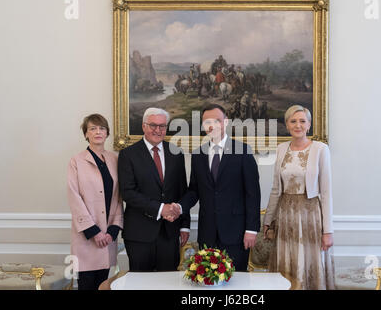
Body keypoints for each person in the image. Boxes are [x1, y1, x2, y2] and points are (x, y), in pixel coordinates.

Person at [178, 104, 261, 272]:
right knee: (207, 280)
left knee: (237, 282)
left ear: (226, 122)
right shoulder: (198, 154)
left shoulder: (243, 151)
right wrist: (179, 207)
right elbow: (194, 190)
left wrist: (251, 229)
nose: (212, 125)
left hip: (236, 233)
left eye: (217, 120)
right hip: (207, 232)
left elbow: (253, 194)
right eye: (207, 122)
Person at [263, 105, 335, 290]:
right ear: (287, 125)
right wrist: (268, 220)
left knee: (308, 263)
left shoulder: (320, 149)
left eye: (302, 121)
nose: (298, 125)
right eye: (293, 121)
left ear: (309, 125)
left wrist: (328, 231)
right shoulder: (280, 149)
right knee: (287, 262)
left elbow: (326, 193)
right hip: (285, 216)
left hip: (310, 215)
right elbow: (275, 188)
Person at [118, 108, 190, 272]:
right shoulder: (128, 155)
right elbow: (128, 192)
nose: (158, 130)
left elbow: (182, 192)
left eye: (162, 126)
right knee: (141, 285)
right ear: (144, 126)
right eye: (153, 125)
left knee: (167, 284)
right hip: (139, 234)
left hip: (170, 233)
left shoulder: (176, 153)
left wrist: (184, 226)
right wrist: (160, 208)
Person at [67, 114, 124, 290]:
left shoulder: (115, 159)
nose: (97, 132)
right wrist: (94, 232)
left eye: (101, 128)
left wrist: (113, 230)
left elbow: (118, 197)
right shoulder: (76, 161)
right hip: (87, 238)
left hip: (108, 238)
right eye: (92, 128)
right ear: (86, 134)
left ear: (107, 133)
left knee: (104, 286)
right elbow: (74, 197)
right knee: (86, 286)